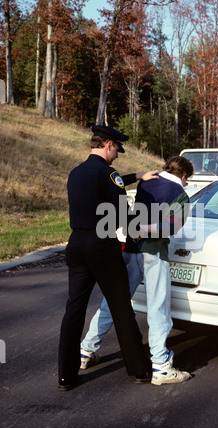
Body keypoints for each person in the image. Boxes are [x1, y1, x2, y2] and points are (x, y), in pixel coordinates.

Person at [58, 125, 158, 391]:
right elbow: (122, 212)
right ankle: (138, 369)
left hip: (76, 244)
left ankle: (66, 377)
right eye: (117, 151)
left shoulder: (76, 172)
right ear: (110, 145)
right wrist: (136, 233)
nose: (117, 156)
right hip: (102, 246)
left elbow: (105, 185)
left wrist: (137, 175)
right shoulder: (109, 173)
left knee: (73, 311)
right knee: (121, 307)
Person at [80, 156, 194, 385]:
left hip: (131, 250)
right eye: (187, 180)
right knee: (158, 307)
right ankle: (161, 365)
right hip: (154, 253)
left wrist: (135, 228)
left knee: (114, 302)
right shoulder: (180, 194)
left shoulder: (145, 182)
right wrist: (145, 229)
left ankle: (86, 351)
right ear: (184, 176)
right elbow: (171, 227)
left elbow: (122, 196)